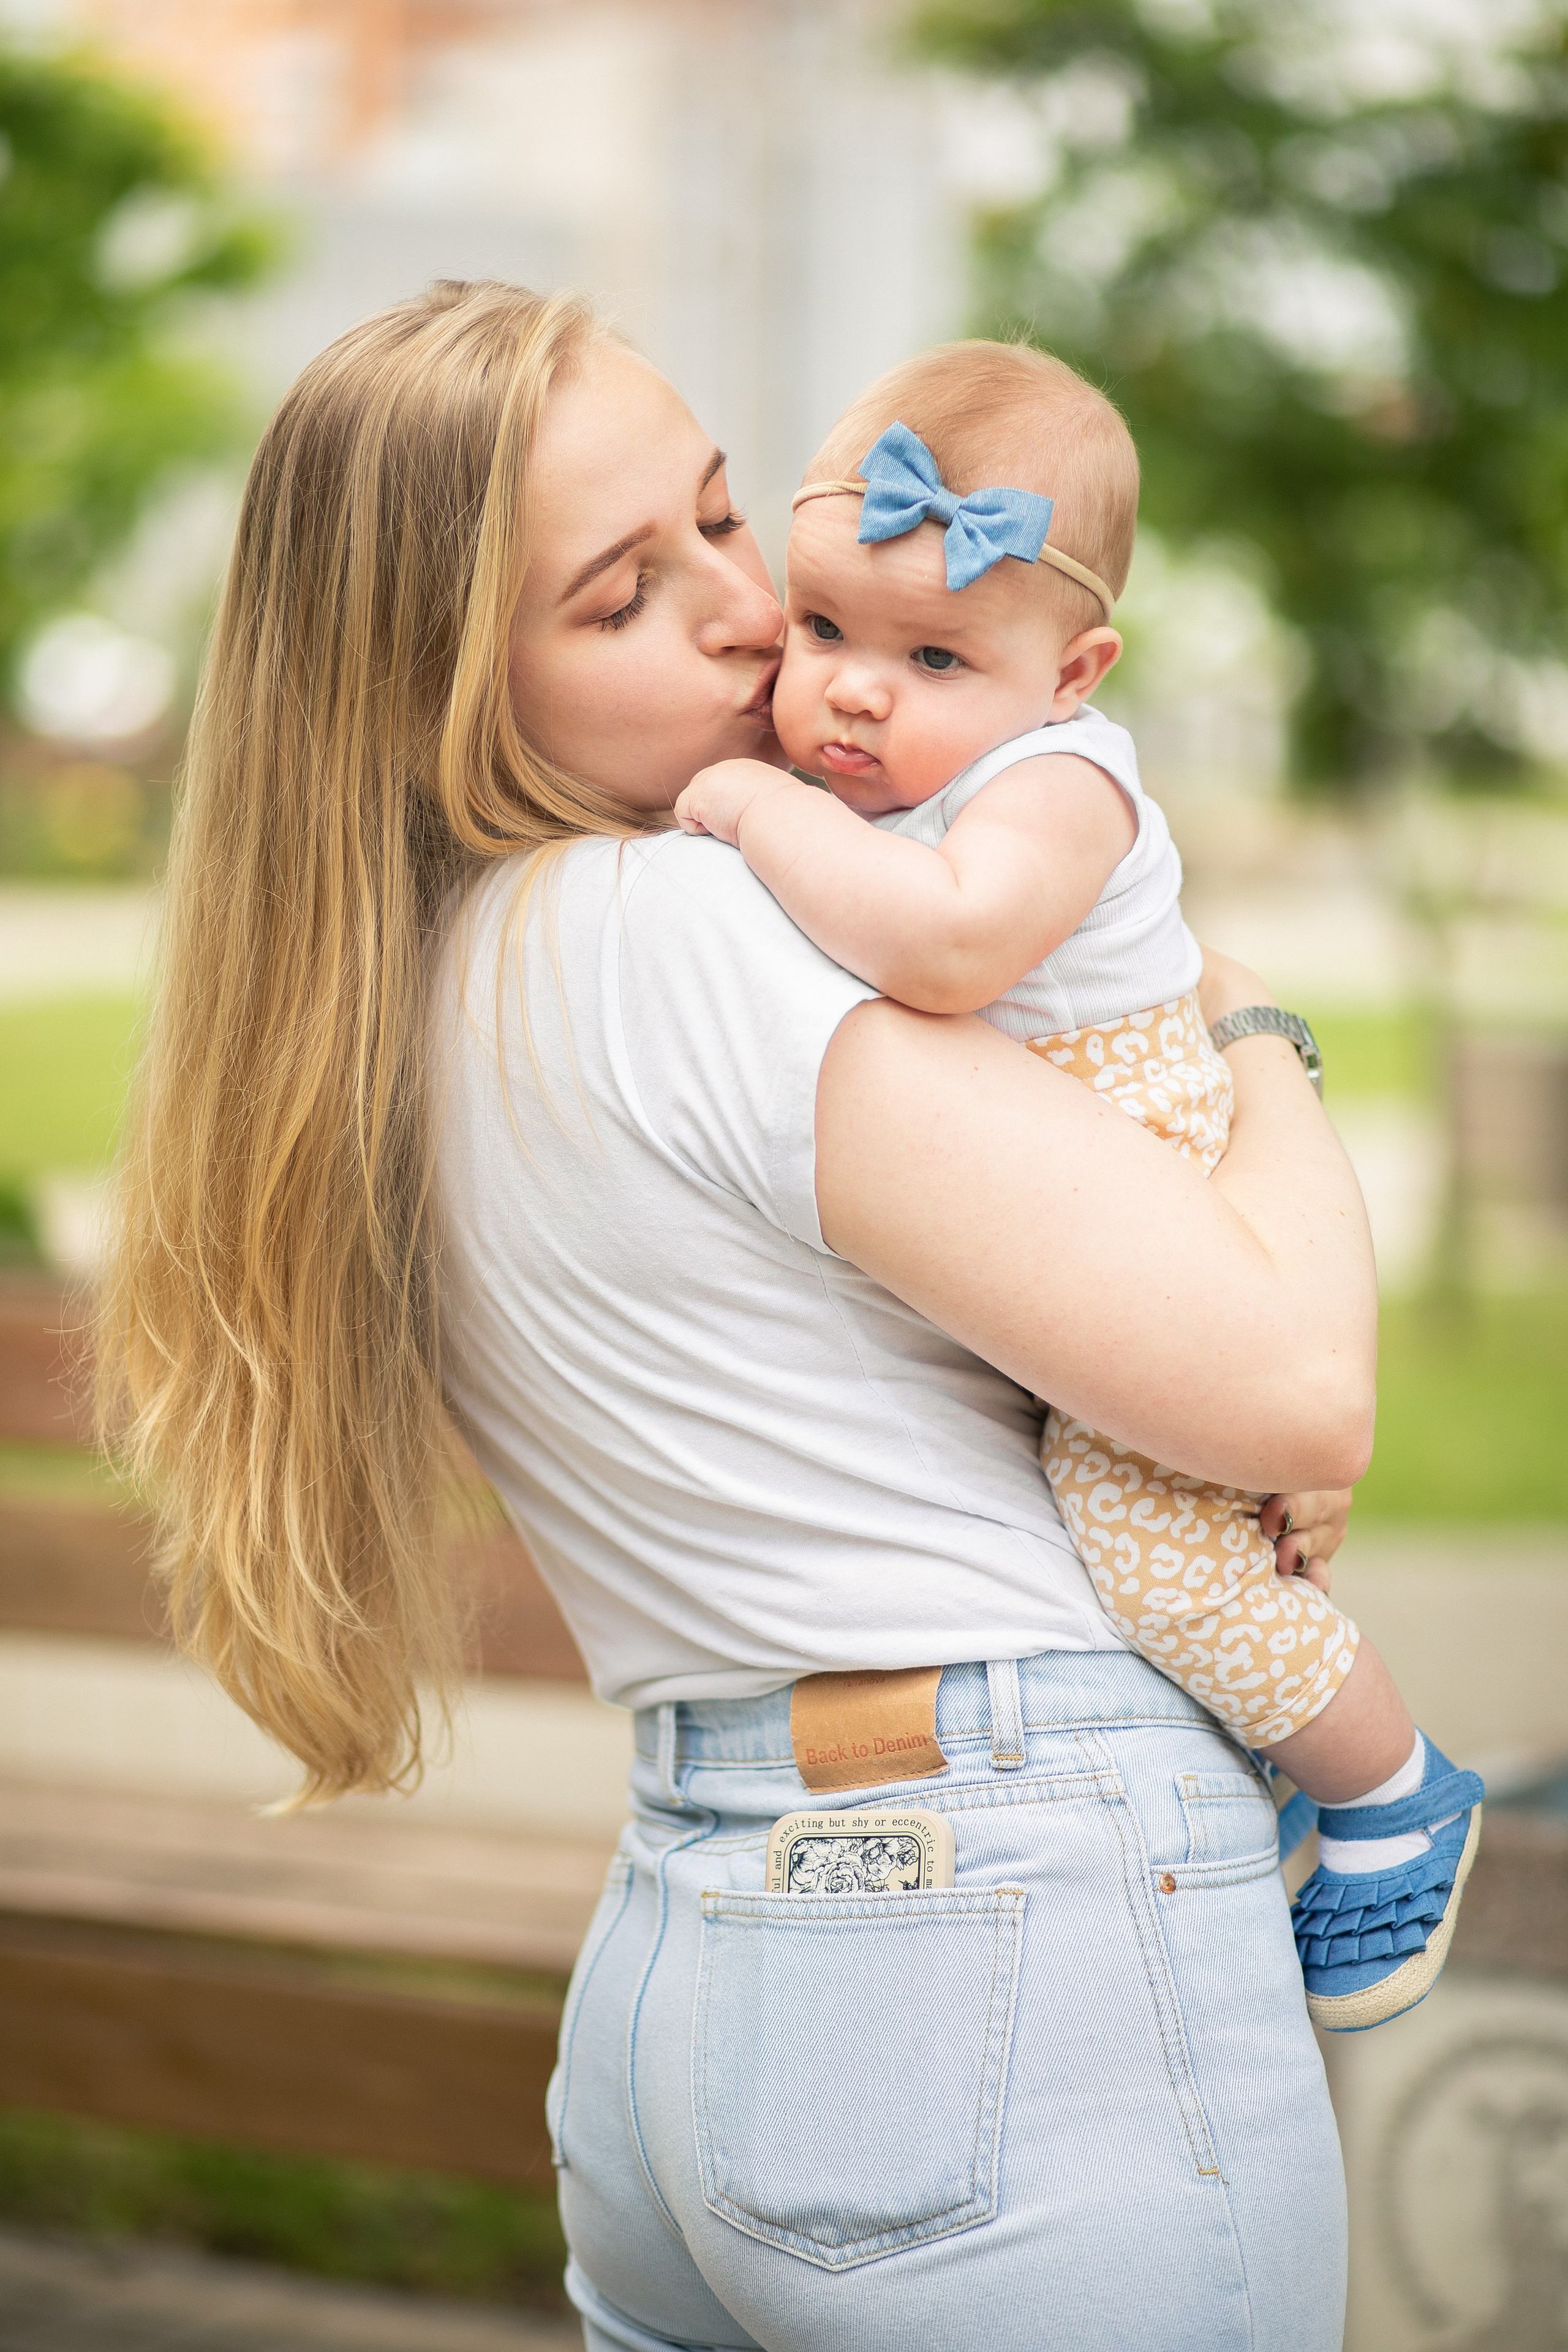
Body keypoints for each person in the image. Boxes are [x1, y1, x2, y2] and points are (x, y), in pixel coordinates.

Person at [100, 280, 1377, 2351]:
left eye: (715, 519)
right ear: (440, 689)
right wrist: (1261, 1038)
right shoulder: (687, 923)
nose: (742, 614)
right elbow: (1297, 1387)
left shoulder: (405, 996)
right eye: (621, 595)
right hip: (999, 1945)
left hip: (690, 1965)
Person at [671, 341, 1482, 2036]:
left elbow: (957, 953)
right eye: (823, 632)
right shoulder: (910, 770)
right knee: (1176, 1522)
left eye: (935, 653)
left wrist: (750, 805)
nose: (855, 692)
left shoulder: (1058, 783)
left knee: (1169, 1561)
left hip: (1139, 1159)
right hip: (1061, 1190)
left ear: (1076, 673)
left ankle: (1391, 1788)